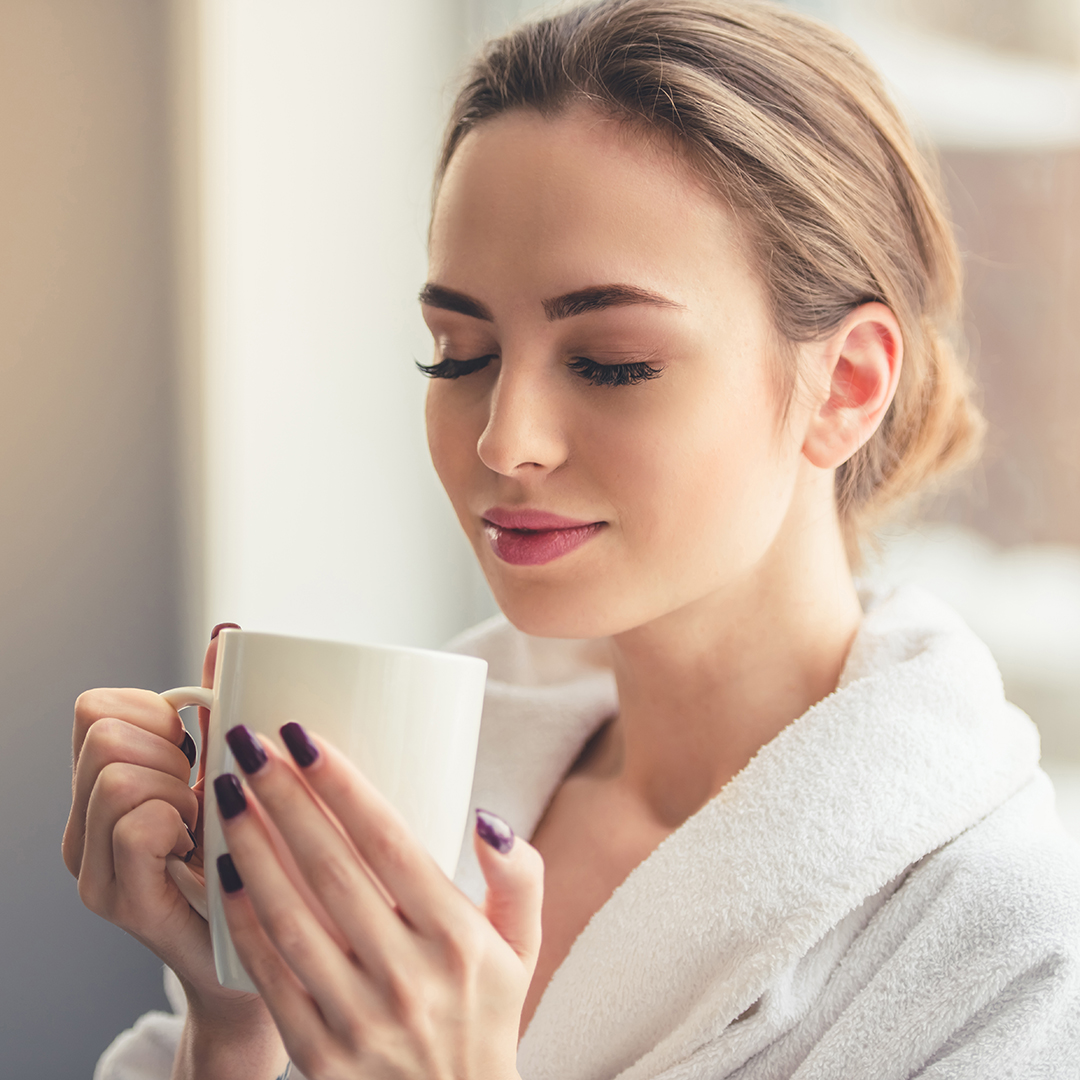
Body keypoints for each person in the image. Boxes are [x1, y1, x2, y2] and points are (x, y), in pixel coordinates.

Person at [68, 1, 1080, 1077]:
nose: (505, 440)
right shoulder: (409, 791)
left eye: (609, 361)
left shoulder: (1007, 945)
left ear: (848, 382)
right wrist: (239, 1025)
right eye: (457, 354)